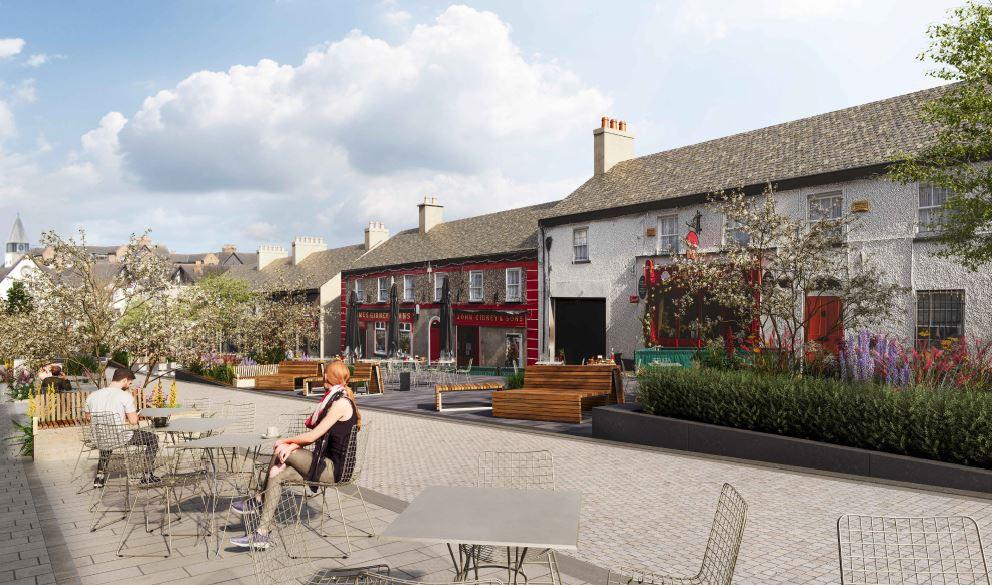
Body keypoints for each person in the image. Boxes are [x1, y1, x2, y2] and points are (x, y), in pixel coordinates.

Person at [230, 360, 361, 550]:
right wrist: (290, 446)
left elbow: (314, 436)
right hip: (323, 463)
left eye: (325, 374)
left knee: (279, 450)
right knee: (278, 473)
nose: (323, 376)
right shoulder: (335, 397)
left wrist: (288, 443)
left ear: (327, 377)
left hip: (333, 470)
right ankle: (262, 533)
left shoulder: (340, 403)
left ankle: (259, 499)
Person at [85, 368, 159, 488]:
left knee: (107, 437)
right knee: (153, 439)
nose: (129, 386)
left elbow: (88, 418)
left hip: (99, 437)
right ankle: (147, 475)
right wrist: (134, 413)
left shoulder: (92, 395)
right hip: (118, 437)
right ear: (124, 380)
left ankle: (99, 477)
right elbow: (133, 421)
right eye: (129, 383)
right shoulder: (125, 396)